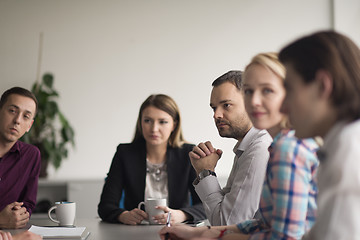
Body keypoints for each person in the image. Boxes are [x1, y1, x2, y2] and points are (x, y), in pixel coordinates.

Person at [159, 52, 319, 240]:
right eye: (249, 92)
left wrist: (205, 174)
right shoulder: (270, 146)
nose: (254, 101)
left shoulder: (275, 149)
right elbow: (262, 224)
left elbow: (283, 237)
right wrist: (200, 232)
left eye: (267, 90)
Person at [279, 30, 360, 240]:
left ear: (323, 85)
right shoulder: (341, 143)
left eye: (289, 89)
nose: (283, 106)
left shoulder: (348, 153)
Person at [98, 94, 206, 225]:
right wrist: (123, 215)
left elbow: (205, 205)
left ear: (174, 125)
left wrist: (182, 215)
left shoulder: (187, 154)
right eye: (147, 120)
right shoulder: (125, 153)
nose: (154, 129)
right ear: (140, 122)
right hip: (135, 232)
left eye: (162, 122)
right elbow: (105, 206)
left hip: (177, 230)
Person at [189, 71, 272, 226]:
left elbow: (227, 225)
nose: (216, 115)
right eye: (214, 108)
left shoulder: (258, 151)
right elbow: (224, 214)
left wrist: (205, 173)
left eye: (226, 105)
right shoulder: (246, 148)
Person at [0, 87, 41, 229]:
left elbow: (28, 204)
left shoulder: (31, 155)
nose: (17, 120)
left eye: (26, 116)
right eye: (12, 111)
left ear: (29, 125)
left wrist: (18, 216)